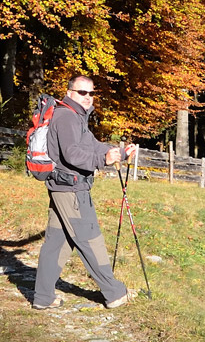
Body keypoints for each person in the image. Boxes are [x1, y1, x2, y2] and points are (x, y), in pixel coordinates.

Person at [32, 76, 137, 310]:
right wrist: (103, 160)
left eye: (91, 93)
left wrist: (120, 152)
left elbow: (93, 145)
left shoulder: (74, 116)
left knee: (57, 243)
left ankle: (42, 297)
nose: (88, 97)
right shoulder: (67, 116)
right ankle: (115, 293)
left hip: (63, 188)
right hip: (71, 190)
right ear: (70, 92)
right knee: (91, 240)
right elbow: (72, 154)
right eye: (82, 92)